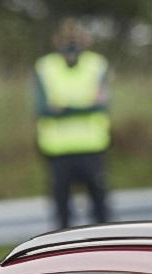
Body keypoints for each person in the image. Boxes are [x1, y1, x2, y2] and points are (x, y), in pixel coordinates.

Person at [33, 20, 111, 229]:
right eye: (67, 40)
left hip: (92, 148)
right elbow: (42, 109)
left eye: (76, 39)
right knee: (62, 214)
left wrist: (63, 109)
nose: (71, 45)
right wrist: (84, 106)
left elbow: (102, 105)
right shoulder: (45, 67)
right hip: (58, 151)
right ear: (56, 41)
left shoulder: (97, 65)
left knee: (101, 211)